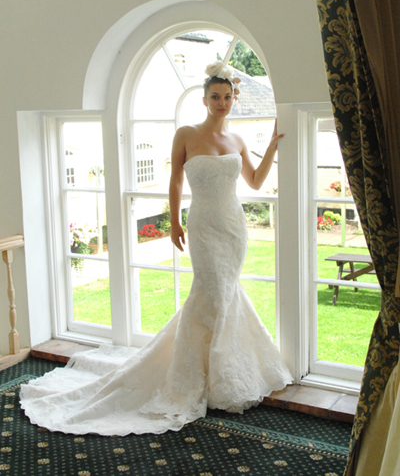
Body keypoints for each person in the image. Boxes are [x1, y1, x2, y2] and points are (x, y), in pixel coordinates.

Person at [20, 61, 292, 437]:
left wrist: (273, 146)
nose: (222, 103)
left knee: (224, 295)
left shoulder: (238, 141)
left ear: (234, 99)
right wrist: (175, 222)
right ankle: (197, 375)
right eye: (215, 96)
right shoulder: (186, 134)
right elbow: (176, 180)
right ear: (204, 99)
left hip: (233, 228)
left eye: (228, 97)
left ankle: (221, 375)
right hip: (202, 226)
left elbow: (257, 181)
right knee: (214, 292)